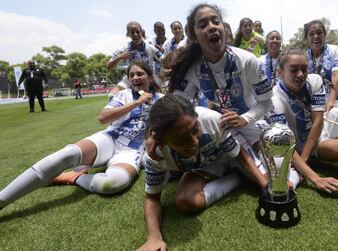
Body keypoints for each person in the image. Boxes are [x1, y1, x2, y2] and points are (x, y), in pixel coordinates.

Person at [0, 62, 162, 210]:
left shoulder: (161, 100)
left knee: (112, 184)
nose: (135, 78)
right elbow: (103, 118)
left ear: (149, 76)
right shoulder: (124, 95)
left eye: (140, 74)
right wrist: (137, 102)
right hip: (110, 139)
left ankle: (73, 177)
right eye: (131, 75)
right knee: (68, 153)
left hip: (132, 151)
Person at [138, 94, 268, 251]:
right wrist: (154, 237)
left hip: (229, 156)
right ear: (162, 140)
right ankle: (237, 178)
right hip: (205, 167)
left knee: (270, 181)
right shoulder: (156, 153)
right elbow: (152, 198)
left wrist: (265, 185)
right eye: (180, 139)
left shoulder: (210, 119)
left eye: (195, 129)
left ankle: (241, 173)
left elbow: (240, 155)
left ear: (197, 118)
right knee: (185, 201)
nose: (193, 142)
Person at [167, 4, 273, 147]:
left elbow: (266, 103)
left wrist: (245, 119)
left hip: (250, 120)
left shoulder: (247, 60)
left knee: (277, 158)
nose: (212, 27)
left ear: (224, 29)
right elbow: (177, 105)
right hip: (219, 123)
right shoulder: (192, 69)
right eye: (203, 25)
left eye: (216, 22)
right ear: (194, 37)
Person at [107, 21, 161, 99]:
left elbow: (164, 59)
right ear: (128, 34)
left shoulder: (150, 47)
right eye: (132, 33)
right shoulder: (124, 48)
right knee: (112, 96)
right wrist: (119, 57)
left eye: (137, 32)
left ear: (142, 32)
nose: (135, 34)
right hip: (130, 79)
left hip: (147, 80)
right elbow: (108, 66)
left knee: (152, 101)